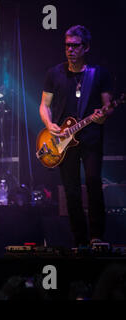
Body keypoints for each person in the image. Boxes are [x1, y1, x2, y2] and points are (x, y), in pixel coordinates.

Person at [38, 25, 113, 248]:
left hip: (90, 137)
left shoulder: (98, 74)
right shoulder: (54, 73)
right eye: (67, 45)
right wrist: (49, 123)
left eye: (75, 46)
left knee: (92, 182)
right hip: (63, 140)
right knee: (70, 190)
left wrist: (103, 115)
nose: (70, 50)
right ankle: (80, 240)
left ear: (86, 47)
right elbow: (44, 105)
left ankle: (96, 236)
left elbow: (107, 106)